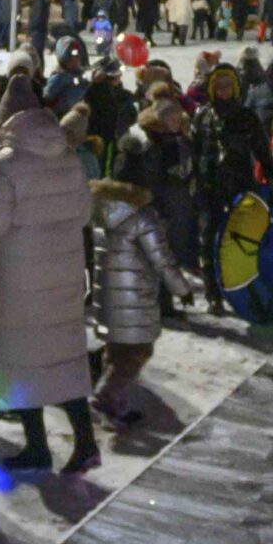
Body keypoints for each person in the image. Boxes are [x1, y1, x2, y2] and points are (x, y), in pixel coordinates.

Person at [0, 75, 99, 473]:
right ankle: (86, 442)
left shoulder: (9, 161)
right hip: (64, 273)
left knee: (22, 359)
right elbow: (85, 213)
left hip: (22, 279)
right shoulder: (67, 154)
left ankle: (37, 446)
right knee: (64, 359)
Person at [88, 175, 194, 425]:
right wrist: (182, 289)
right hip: (134, 299)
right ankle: (106, 395)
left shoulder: (100, 216)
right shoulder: (142, 218)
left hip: (106, 297)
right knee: (139, 351)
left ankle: (117, 407)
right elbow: (162, 260)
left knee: (115, 351)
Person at [190, 61, 271, 314]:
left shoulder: (246, 116)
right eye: (219, 86)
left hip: (239, 184)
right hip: (209, 186)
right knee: (209, 239)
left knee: (242, 240)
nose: (224, 91)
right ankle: (213, 292)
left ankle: (244, 289)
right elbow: (193, 150)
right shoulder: (202, 115)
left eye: (228, 86)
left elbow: (261, 150)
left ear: (235, 88)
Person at [115, 85, 199, 277]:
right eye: (172, 119)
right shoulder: (145, 140)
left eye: (178, 118)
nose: (177, 122)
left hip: (172, 205)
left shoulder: (176, 140)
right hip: (153, 205)